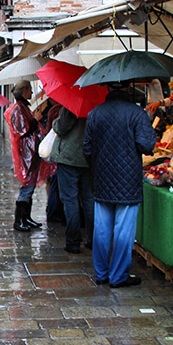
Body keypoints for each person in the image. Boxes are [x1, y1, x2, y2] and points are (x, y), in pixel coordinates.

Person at [83, 81, 156, 287]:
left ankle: (101, 273)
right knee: (124, 230)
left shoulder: (95, 113)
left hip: (101, 177)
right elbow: (147, 144)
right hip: (128, 180)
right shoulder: (136, 113)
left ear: (107, 89)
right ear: (127, 89)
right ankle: (118, 276)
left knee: (102, 229)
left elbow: (87, 148)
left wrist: (97, 166)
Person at [50, 106, 94, 254]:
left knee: (70, 200)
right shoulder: (95, 104)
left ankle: (73, 241)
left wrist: (56, 121)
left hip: (69, 158)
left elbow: (61, 127)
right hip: (88, 157)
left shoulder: (72, 105)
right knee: (89, 200)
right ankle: (93, 239)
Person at [5, 79, 43, 231]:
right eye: (29, 90)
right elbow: (23, 131)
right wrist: (36, 120)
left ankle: (26, 218)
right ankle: (19, 220)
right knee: (27, 186)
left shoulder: (23, 108)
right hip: (26, 153)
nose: (32, 93)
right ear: (24, 90)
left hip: (31, 152)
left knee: (30, 185)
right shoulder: (18, 109)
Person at [41, 98, 65, 224]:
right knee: (55, 183)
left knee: (54, 183)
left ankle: (52, 211)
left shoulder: (54, 110)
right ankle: (54, 212)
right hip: (59, 153)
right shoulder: (57, 111)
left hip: (57, 153)